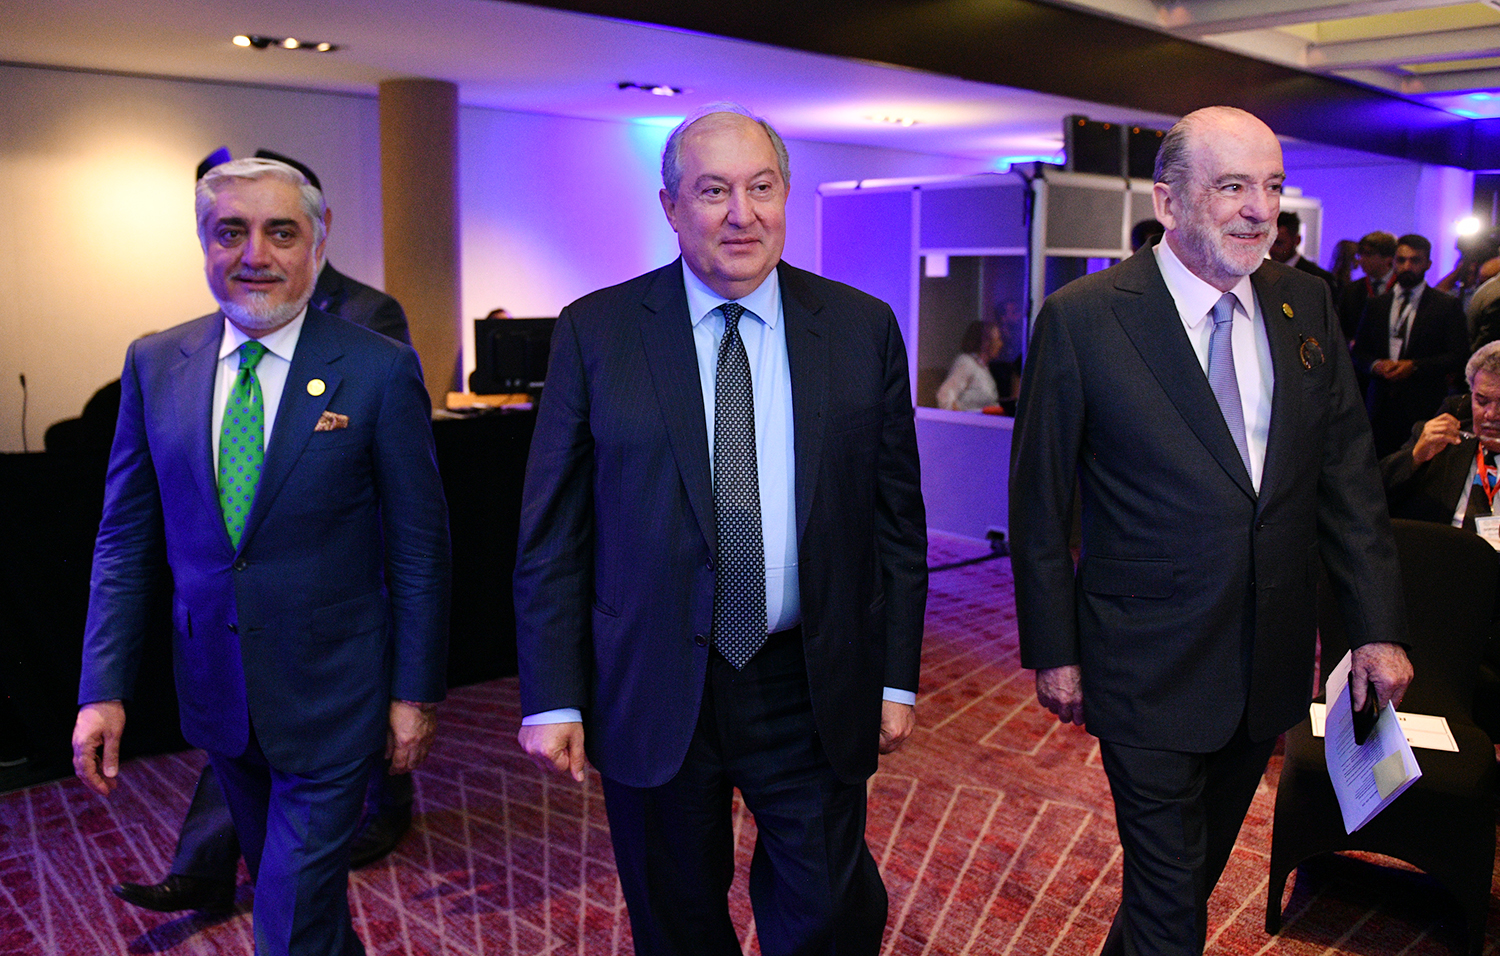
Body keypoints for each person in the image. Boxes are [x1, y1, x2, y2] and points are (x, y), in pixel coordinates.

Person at [513, 103, 927, 956]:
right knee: (675, 917)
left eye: (761, 188)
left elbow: (897, 525)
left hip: (807, 677)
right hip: (652, 675)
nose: (742, 214)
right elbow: (554, 532)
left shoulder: (861, 328)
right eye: (713, 191)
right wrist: (553, 693)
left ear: (785, 197)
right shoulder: (598, 331)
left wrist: (895, 680)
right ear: (670, 206)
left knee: (830, 911)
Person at [1010, 106, 1412, 956]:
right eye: (1232, 186)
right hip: (1143, 664)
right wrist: (1053, 647)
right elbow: (1039, 503)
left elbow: (1347, 478)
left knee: (1186, 882)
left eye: (1271, 186)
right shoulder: (1085, 318)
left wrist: (1376, 629)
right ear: (1168, 200)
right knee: (1170, 908)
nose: (1259, 210)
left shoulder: (1305, 303)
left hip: (1268, 663)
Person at [71, 156, 451, 956]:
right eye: (230, 232)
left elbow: (420, 549)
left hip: (336, 696)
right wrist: (102, 689)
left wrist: (415, 692)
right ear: (202, 241)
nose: (255, 255)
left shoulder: (378, 368)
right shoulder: (154, 363)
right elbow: (124, 540)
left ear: (318, 239)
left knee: (286, 924)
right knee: (311, 915)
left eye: (280, 232)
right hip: (218, 692)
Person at [1352, 233, 1469, 458]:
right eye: (1401, 260)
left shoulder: (1445, 305)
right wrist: (1375, 365)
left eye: (1415, 260)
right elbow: (1358, 352)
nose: (1407, 266)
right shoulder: (1377, 304)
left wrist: (1414, 366)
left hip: (1424, 406)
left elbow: (1459, 355)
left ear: (1428, 264)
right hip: (1379, 406)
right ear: (1393, 261)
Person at [1381, 341, 1500, 530]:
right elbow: (1371, 494)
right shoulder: (1446, 441)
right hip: (1447, 546)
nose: (1491, 415)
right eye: (1481, 401)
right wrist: (1415, 457)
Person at [1337, 230, 1397, 343]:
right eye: (1360, 254)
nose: (1361, 260)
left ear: (1388, 258)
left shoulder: (1403, 287)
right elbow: (1342, 329)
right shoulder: (1351, 290)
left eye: (1368, 254)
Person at [936, 319, 1002, 410]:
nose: (1000, 344)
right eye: (997, 340)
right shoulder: (967, 363)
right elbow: (944, 397)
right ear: (985, 343)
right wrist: (961, 416)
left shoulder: (983, 368)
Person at [1268, 210, 1336, 293]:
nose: (1272, 248)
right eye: (1269, 242)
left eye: (1279, 243)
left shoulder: (1317, 278)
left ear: (1297, 240)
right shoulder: (1262, 273)